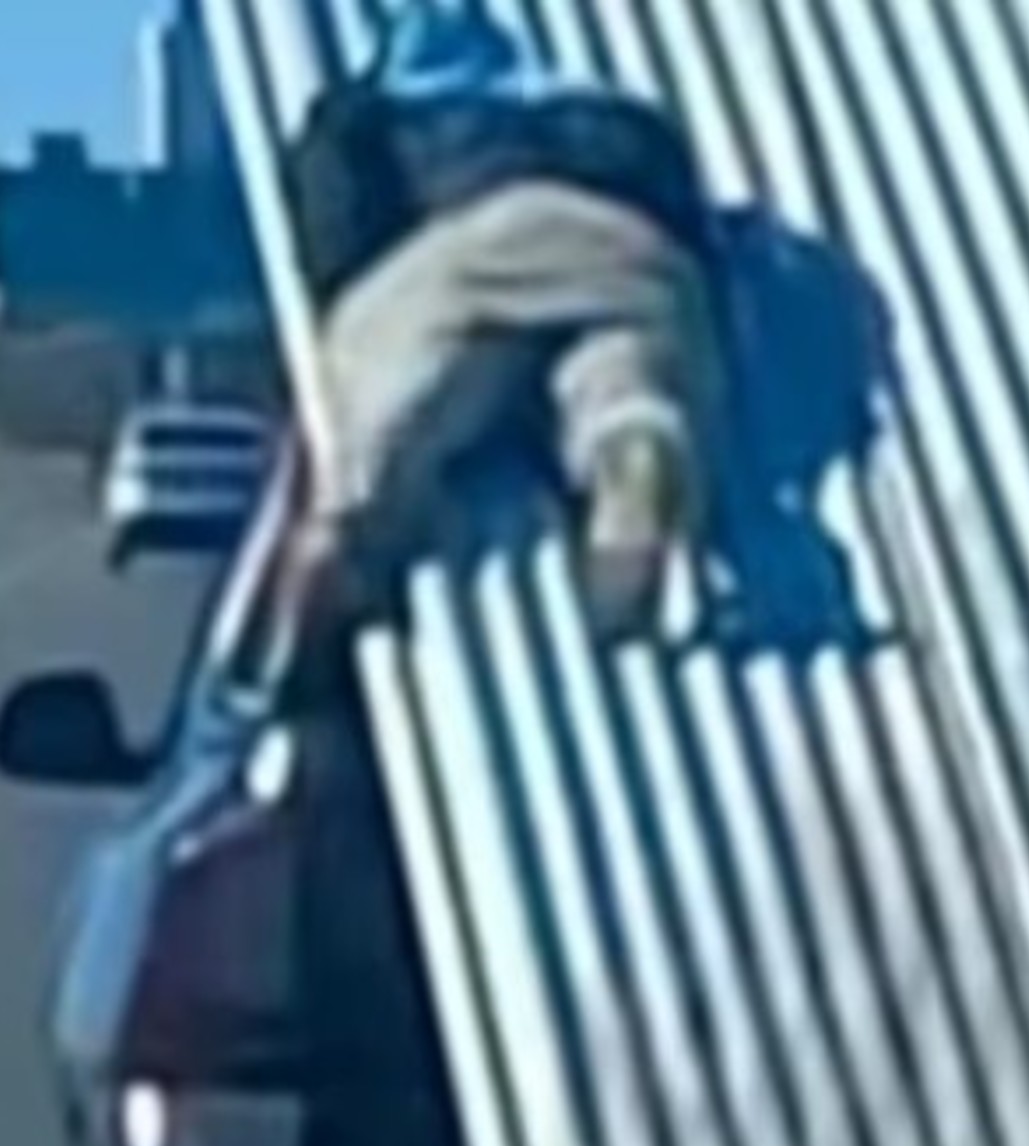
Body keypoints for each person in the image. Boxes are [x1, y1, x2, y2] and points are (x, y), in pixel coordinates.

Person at [273, 0, 721, 659]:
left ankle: (354, 533)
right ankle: (631, 447)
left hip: (469, 250)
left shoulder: (373, 120)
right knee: (621, 370)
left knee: (419, 394)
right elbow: (697, 230)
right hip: (627, 251)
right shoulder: (612, 118)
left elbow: (334, 244)